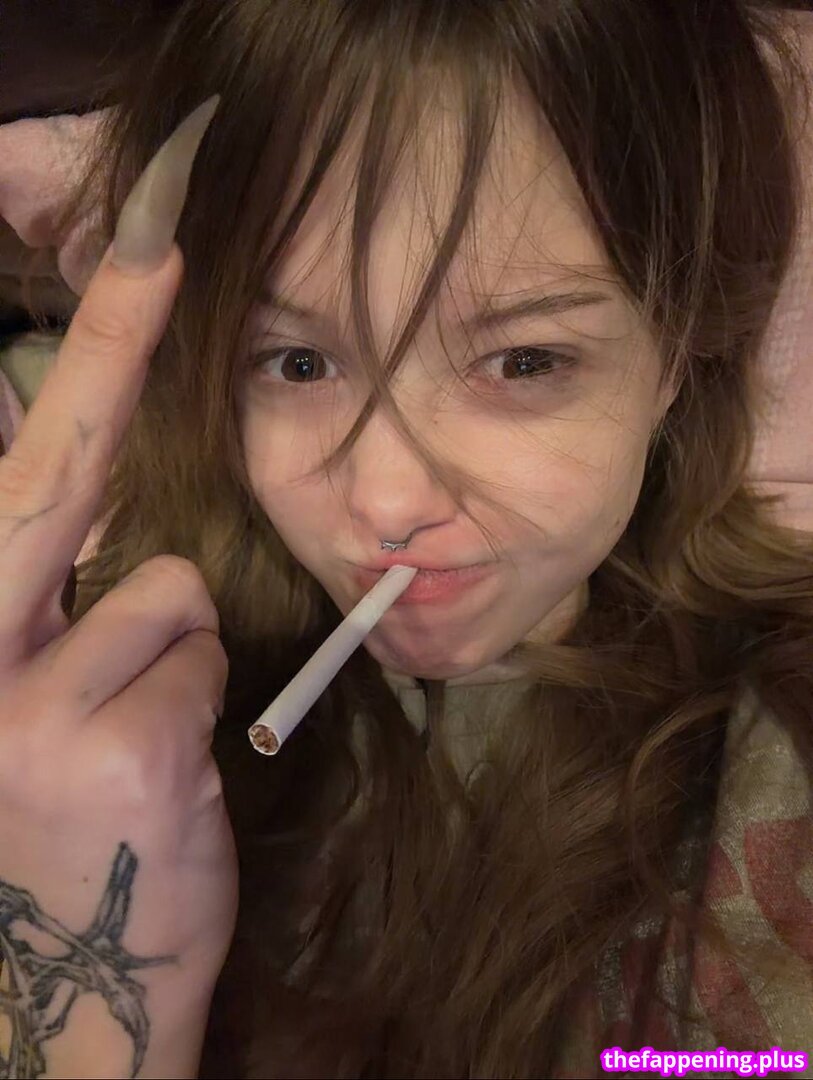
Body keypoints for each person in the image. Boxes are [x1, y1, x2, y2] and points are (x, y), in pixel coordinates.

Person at [0, 1, 811, 1077]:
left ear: (678, 348)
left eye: (523, 361)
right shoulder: (91, 692)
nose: (385, 503)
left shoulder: (776, 757)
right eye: (295, 362)